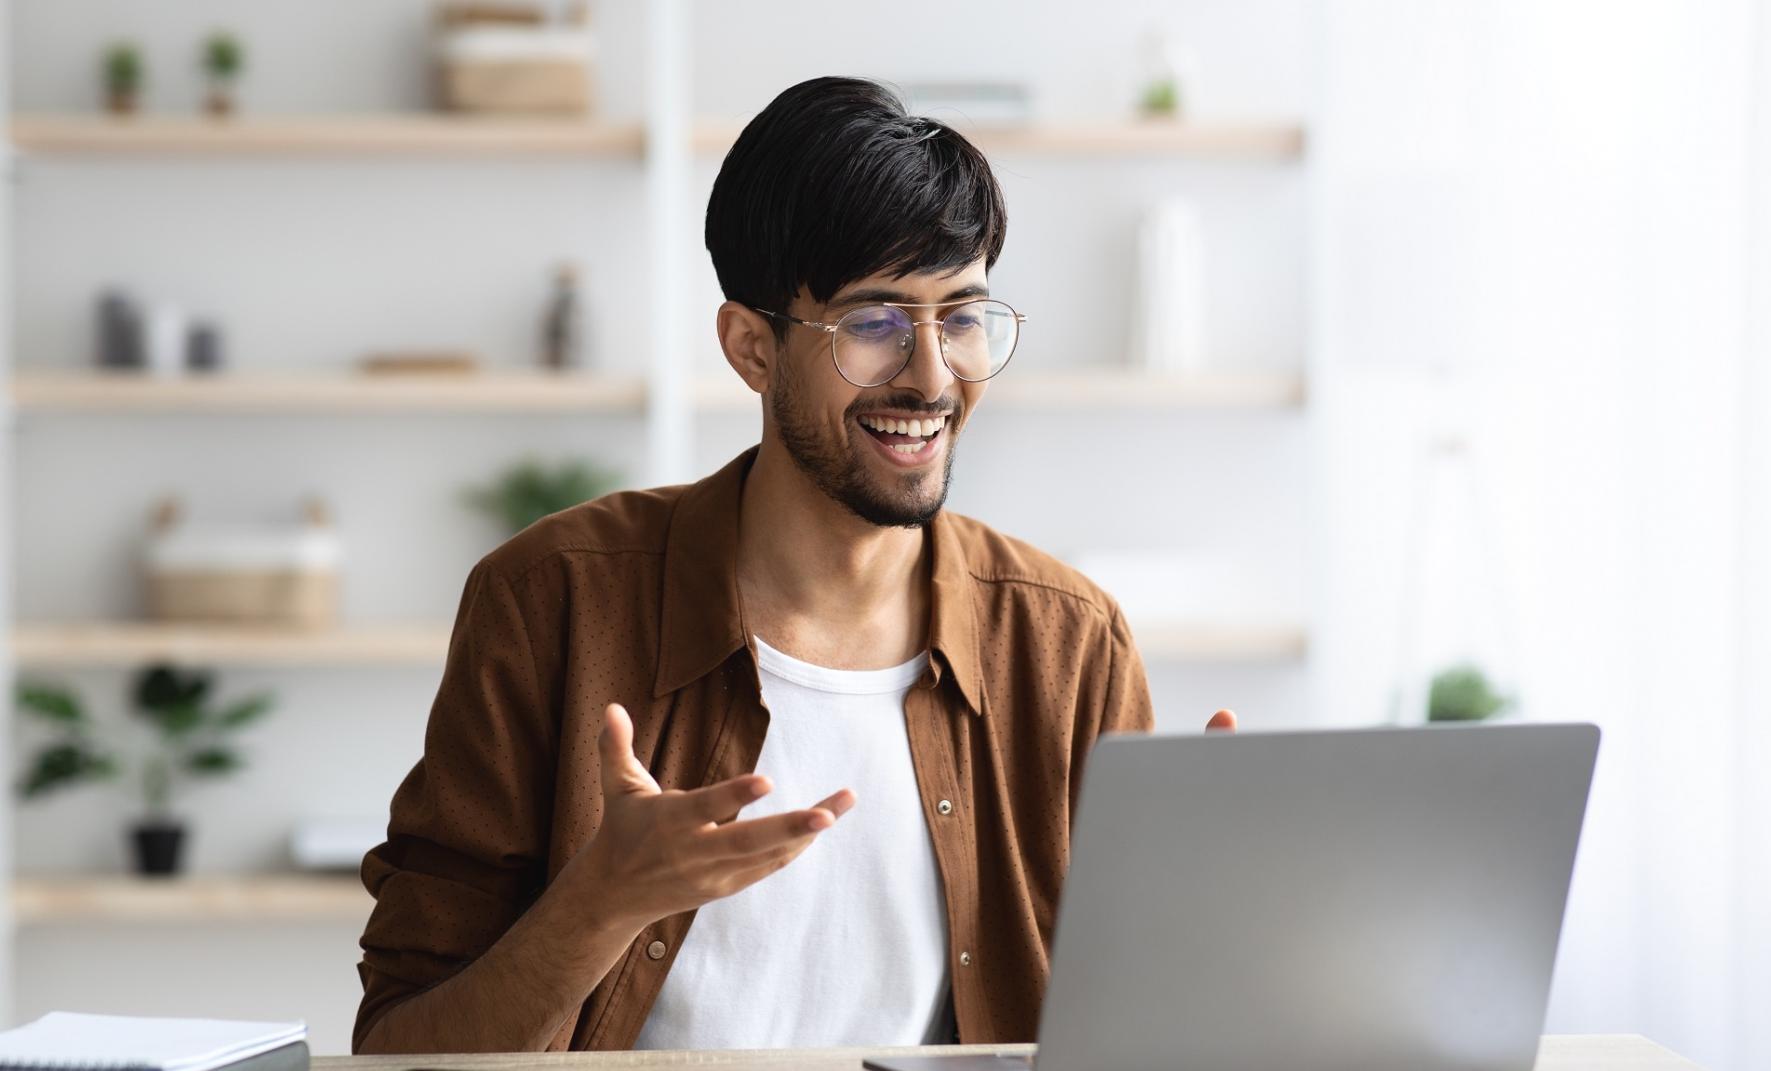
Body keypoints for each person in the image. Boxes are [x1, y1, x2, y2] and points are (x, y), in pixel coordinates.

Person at [352, 75, 1237, 1055]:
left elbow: (1146, 1034)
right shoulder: (551, 602)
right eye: (873, 322)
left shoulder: (1067, 642)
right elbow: (399, 1047)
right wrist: (597, 906)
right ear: (749, 348)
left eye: (960, 317)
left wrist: (1216, 929)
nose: (932, 376)